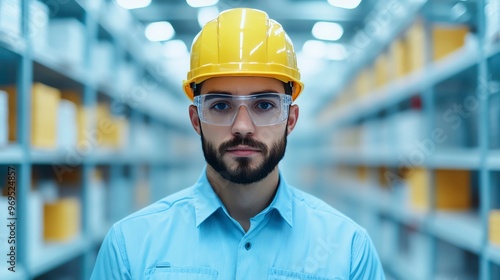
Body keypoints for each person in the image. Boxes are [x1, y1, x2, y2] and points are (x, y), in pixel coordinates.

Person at [91, 8, 385, 279]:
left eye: (264, 105)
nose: (242, 127)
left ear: (291, 119)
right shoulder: (130, 245)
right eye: (220, 106)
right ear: (196, 120)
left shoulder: (348, 250)